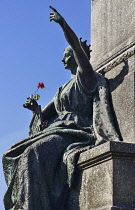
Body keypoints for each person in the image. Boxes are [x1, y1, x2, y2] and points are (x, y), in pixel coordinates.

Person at [3, 6, 120, 210]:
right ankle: (25, 202)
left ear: (76, 56)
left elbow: (75, 45)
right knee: (11, 154)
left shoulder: (86, 78)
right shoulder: (61, 89)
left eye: (66, 55)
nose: (62, 59)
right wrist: (35, 110)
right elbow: (45, 115)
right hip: (59, 129)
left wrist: (63, 24)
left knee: (33, 153)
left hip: (76, 131)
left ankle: (34, 206)